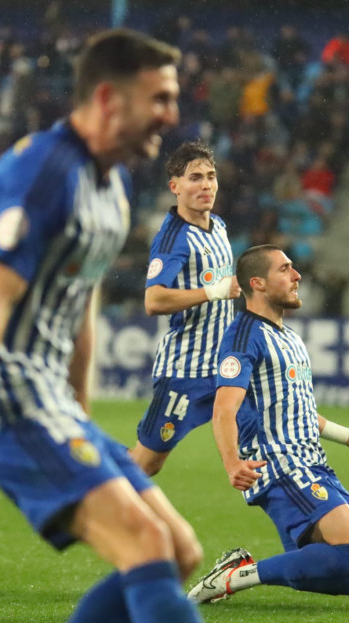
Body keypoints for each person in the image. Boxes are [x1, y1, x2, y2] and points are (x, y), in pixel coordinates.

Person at [0, 28, 215, 623]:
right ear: (109, 99)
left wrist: (81, 416)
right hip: (4, 398)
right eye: (161, 98)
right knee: (144, 545)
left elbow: (78, 310)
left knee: (178, 552)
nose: (172, 115)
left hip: (50, 401)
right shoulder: (44, 174)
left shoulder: (111, 188)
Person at [187, 245, 349, 603]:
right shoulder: (243, 336)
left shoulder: (289, 337)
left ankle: (243, 571)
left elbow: (298, 411)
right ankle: (240, 576)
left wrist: (347, 436)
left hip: (315, 465)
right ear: (258, 283)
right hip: (281, 467)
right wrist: (232, 462)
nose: (297, 276)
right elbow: (223, 410)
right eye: (285, 269)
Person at [129, 140, 241, 477]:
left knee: (275, 422)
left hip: (225, 366)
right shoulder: (173, 239)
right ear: (174, 187)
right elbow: (154, 300)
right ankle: (91, 488)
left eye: (210, 176)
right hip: (185, 373)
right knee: (146, 465)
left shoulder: (218, 227)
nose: (206, 185)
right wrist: (212, 291)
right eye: (195, 177)